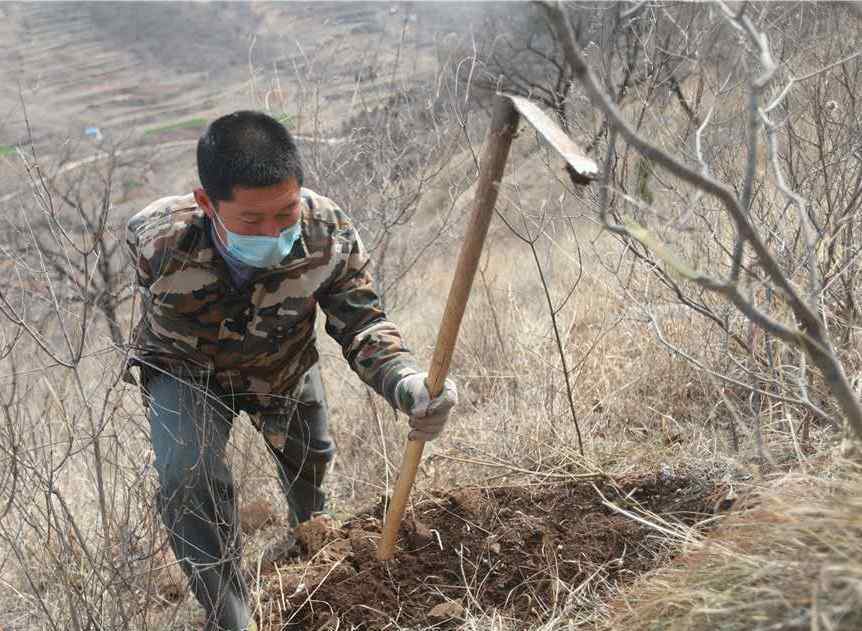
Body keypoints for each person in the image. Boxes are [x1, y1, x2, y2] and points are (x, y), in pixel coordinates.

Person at [125, 110, 457, 631]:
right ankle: (230, 615)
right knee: (187, 478)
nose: (274, 231)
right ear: (207, 203)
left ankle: (315, 556)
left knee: (312, 471)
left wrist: (407, 383)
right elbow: (156, 325)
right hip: (187, 371)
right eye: (252, 222)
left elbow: (363, 323)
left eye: (285, 212)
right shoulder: (157, 242)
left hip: (283, 365)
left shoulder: (328, 233)